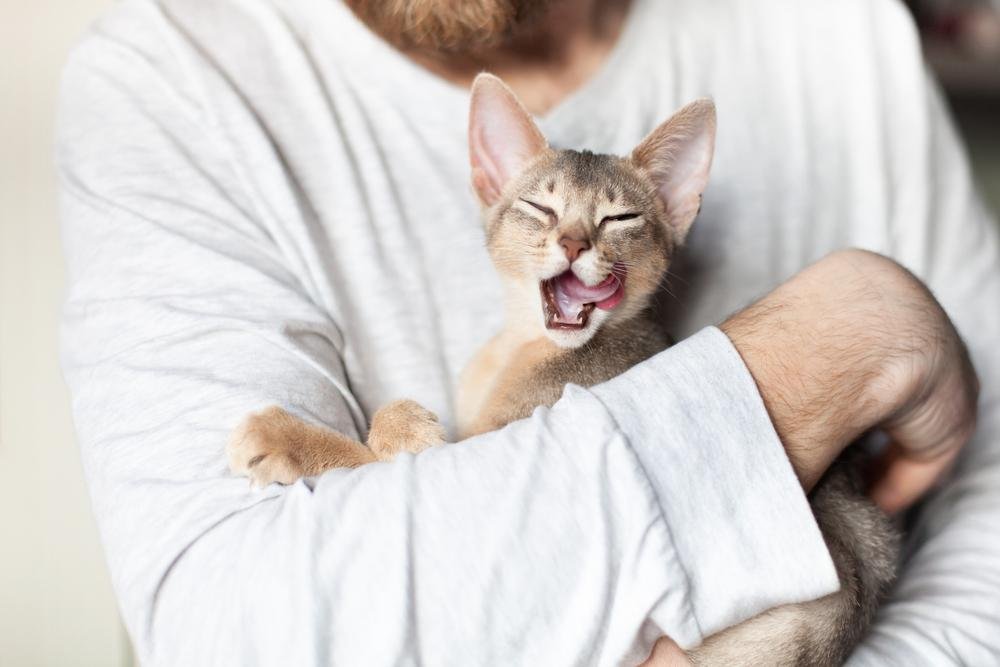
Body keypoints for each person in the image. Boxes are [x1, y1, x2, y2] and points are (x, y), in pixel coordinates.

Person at [55, 0, 996, 664]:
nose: (576, 239)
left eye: (617, 223)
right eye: (541, 213)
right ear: (489, 177)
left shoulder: (839, 26)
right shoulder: (163, 79)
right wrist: (855, 329)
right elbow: (229, 634)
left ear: (673, 206)